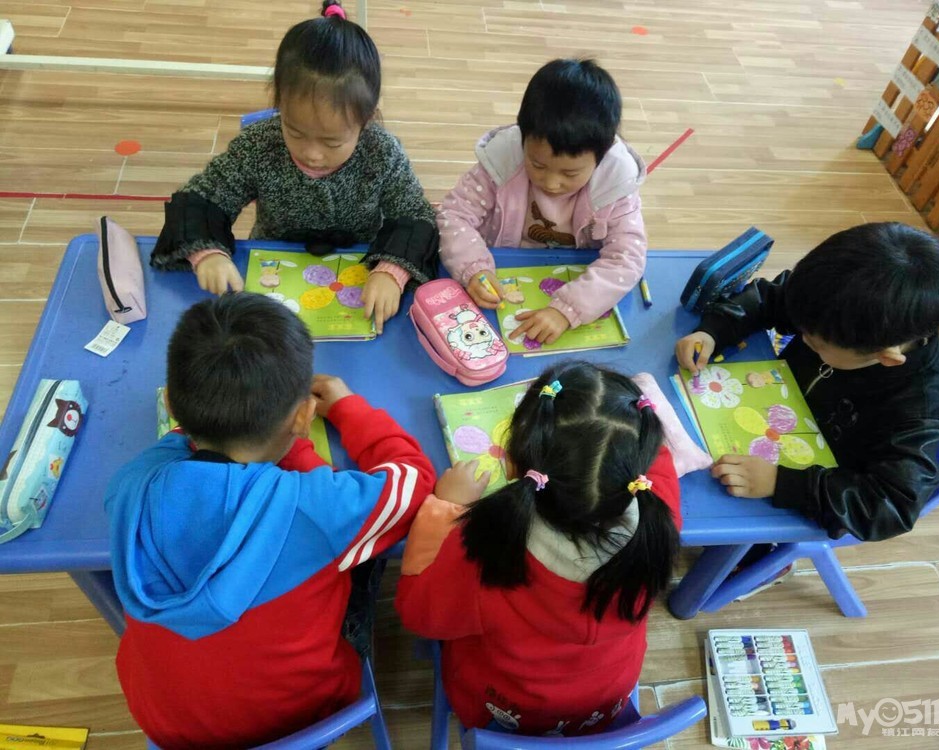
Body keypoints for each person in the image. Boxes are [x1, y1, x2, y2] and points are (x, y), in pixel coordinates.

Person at [105, 293, 435, 748]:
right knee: (367, 558)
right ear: (304, 416)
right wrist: (345, 409)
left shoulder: (130, 484)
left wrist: (261, 433)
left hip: (165, 726)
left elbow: (187, 447)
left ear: (174, 409)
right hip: (299, 721)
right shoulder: (316, 507)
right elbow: (413, 479)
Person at [395, 362, 681, 737]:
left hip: (503, 714)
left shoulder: (487, 550)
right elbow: (658, 460)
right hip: (604, 706)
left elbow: (418, 614)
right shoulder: (658, 519)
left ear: (512, 464)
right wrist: (624, 421)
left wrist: (445, 509)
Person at [150, 0, 437, 333]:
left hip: (359, 273)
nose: (312, 154)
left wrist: (391, 272)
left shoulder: (382, 153)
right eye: (295, 132)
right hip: (272, 266)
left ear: (366, 120)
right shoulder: (259, 146)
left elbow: (415, 215)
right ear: (279, 105)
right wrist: (208, 254)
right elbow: (203, 198)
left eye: (332, 142)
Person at [675, 222, 939, 542]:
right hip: (763, 416)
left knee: (721, 525)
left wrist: (782, 483)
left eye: (816, 343)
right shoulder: (837, 306)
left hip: (803, 492)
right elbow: (770, 297)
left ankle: (762, 556)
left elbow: (890, 506)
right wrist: (714, 330)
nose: (803, 337)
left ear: (886, 358)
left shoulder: (919, 409)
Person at [437, 58, 647, 345]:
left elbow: (627, 258)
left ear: (601, 156)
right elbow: (455, 214)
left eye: (570, 173)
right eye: (537, 164)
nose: (551, 183)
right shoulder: (502, 162)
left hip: (576, 281)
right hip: (501, 266)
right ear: (523, 138)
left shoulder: (615, 185)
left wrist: (567, 309)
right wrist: (474, 268)